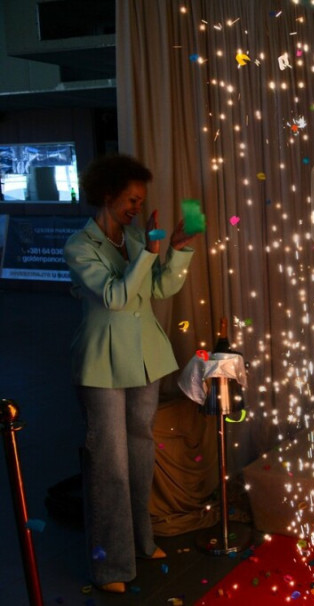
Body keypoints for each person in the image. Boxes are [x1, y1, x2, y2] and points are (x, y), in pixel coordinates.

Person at [63, 154, 197, 593]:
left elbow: (159, 287)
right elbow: (115, 297)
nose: (137, 208)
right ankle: (109, 567)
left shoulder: (138, 237)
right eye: (131, 200)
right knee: (109, 466)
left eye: (140, 201)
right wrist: (149, 255)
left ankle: (141, 541)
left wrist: (176, 248)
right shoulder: (78, 246)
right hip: (101, 365)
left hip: (146, 359)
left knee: (140, 457)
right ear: (108, 195)